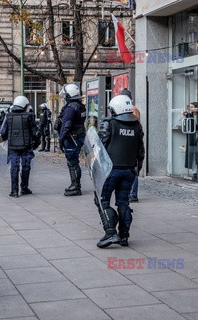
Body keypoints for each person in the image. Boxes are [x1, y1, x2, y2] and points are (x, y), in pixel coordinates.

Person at [96, 95, 145, 248]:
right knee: (123, 202)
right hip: (129, 170)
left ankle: (110, 232)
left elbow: (99, 147)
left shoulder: (109, 124)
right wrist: (137, 168)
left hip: (110, 171)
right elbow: (141, 150)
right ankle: (124, 235)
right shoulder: (137, 126)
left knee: (102, 200)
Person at [0, 96, 39, 197]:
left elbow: (3, 133)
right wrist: (36, 143)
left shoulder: (8, 116)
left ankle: (14, 191)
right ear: (24, 105)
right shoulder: (29, 116)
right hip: (26, 147)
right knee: (26, 167)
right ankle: (24, 188)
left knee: (14, 168)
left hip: (13, 147)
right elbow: (35, 132)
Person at [58, 83, 86, 196]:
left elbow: (67, 125)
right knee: (75, 162)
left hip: (72, 138)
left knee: (72, 163)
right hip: (78, 136)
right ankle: (75, 185)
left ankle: (75, 186)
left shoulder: (70, 108)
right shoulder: (80, 106)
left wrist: (61, 139)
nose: (64, 97)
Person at [120, 89, 140, 202]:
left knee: (133, 168)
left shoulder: (133, 109)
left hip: (131, 141)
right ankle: (129, 192)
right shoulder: (127, 109)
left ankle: (133, 193)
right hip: (128, 140)